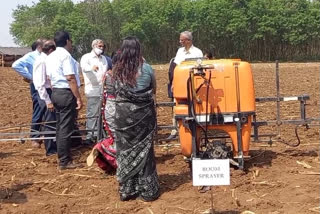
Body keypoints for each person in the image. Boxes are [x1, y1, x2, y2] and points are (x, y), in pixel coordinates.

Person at [113, 36, 160, 202]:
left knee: (125, 149)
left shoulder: (117, 70)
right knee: (145, 151)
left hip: (123, 116)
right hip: (143, 115)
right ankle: (147, 190)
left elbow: (113, 90)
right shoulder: (146, 68)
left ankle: (128, 189)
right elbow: (153, 89)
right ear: (138, 50)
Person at [46, 31, 83, 170]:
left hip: (55, 92)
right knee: (66, 128)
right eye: (71, 41)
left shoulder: (51, 56)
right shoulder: (65, 56)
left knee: (60, 126)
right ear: (67, 41)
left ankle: (62, 155)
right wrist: (78, 98)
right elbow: (70, 78)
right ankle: (64, 161)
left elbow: (49, 77)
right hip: (66, 93)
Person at [167, 31, 203, 140]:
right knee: (177, 105)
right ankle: (175, 129)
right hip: (180, 83)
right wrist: (173, 82)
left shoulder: (197, 52)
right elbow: (176, 68)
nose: (180, 42)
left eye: (182, 40)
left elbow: (201, 68)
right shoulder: (179, 51)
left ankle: (196, 128)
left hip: (194, 84)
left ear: (188, 40)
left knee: (194, 105)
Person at [12, 39, 45, 148]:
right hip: (36, 86)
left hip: (47, 86)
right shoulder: (31, 56)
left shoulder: (46, 56)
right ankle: (34, 136)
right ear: (39, 47)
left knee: (47, 110)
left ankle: (44, 134)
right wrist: (31, 78)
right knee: (38, 109)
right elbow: (16, 65)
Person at [80, 39, 108, 146]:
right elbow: (84, 68)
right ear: (93, 46)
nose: (101, 48)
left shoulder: (104, 59)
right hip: (92, 89)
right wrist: (92, 68)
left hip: (102, 88)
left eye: (102, 46)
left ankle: (98, 133)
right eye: (99, 46)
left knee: (101, 112)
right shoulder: (86, 57)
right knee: (92, 113)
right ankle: (89, 135)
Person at [32, 40, 57, 156]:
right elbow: (40, 84)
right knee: (50, 121)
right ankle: (50, 149)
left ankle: (52, 145)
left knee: (51, 120)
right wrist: (48, 101)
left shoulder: (45, 60)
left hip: (47, 92)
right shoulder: (42, 61)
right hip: (44, 93)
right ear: (50, 50)